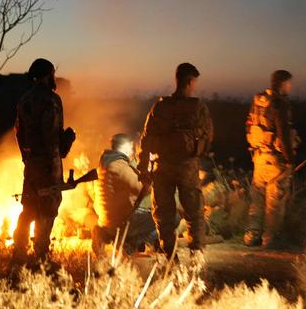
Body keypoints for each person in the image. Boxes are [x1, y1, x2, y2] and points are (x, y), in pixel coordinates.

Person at [138, 63, 214, 259]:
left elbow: (145, 140)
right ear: (189, 81)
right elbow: (208, 137)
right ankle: (196, 256)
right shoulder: (198, 108)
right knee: (194, 213)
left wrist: (143, 169)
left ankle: (169, 255)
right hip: (187, 167)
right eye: (195, 82)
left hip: (162, 166)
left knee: (163, 214)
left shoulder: (160, 107)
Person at [13, 58, 76, 261]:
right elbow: (51, 137)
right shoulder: (52, 100)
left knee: (28, 208)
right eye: (52, 74)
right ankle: (41, 256)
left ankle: (19, 252)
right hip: (49, 164)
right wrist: (66, 142)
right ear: (49, 75)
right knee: (47, 210)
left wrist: (26, 158)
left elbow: (19, 133)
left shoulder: (24, 100)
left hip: (31, 164)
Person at [244, 70, 299, 248]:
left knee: (257, 200)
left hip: (259, 158)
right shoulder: (279, 104)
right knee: (274, 203)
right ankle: (270, 240)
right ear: (282, 84)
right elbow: (283, 133)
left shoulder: (258, 102)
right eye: (289, 83)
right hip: (276, 161)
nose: (290, 87)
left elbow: (248, 125)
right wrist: (290, 159)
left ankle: (252, 236)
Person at [91, 133, 159, 257]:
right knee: (161, 218)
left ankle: (114, 237)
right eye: (131, 148)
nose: (133, 151)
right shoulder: (119, 166)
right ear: (125, 148)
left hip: (106, 221)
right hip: (120, 223)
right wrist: (151, 172)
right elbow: (143, 188)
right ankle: (132, 242)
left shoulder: (104, 166)